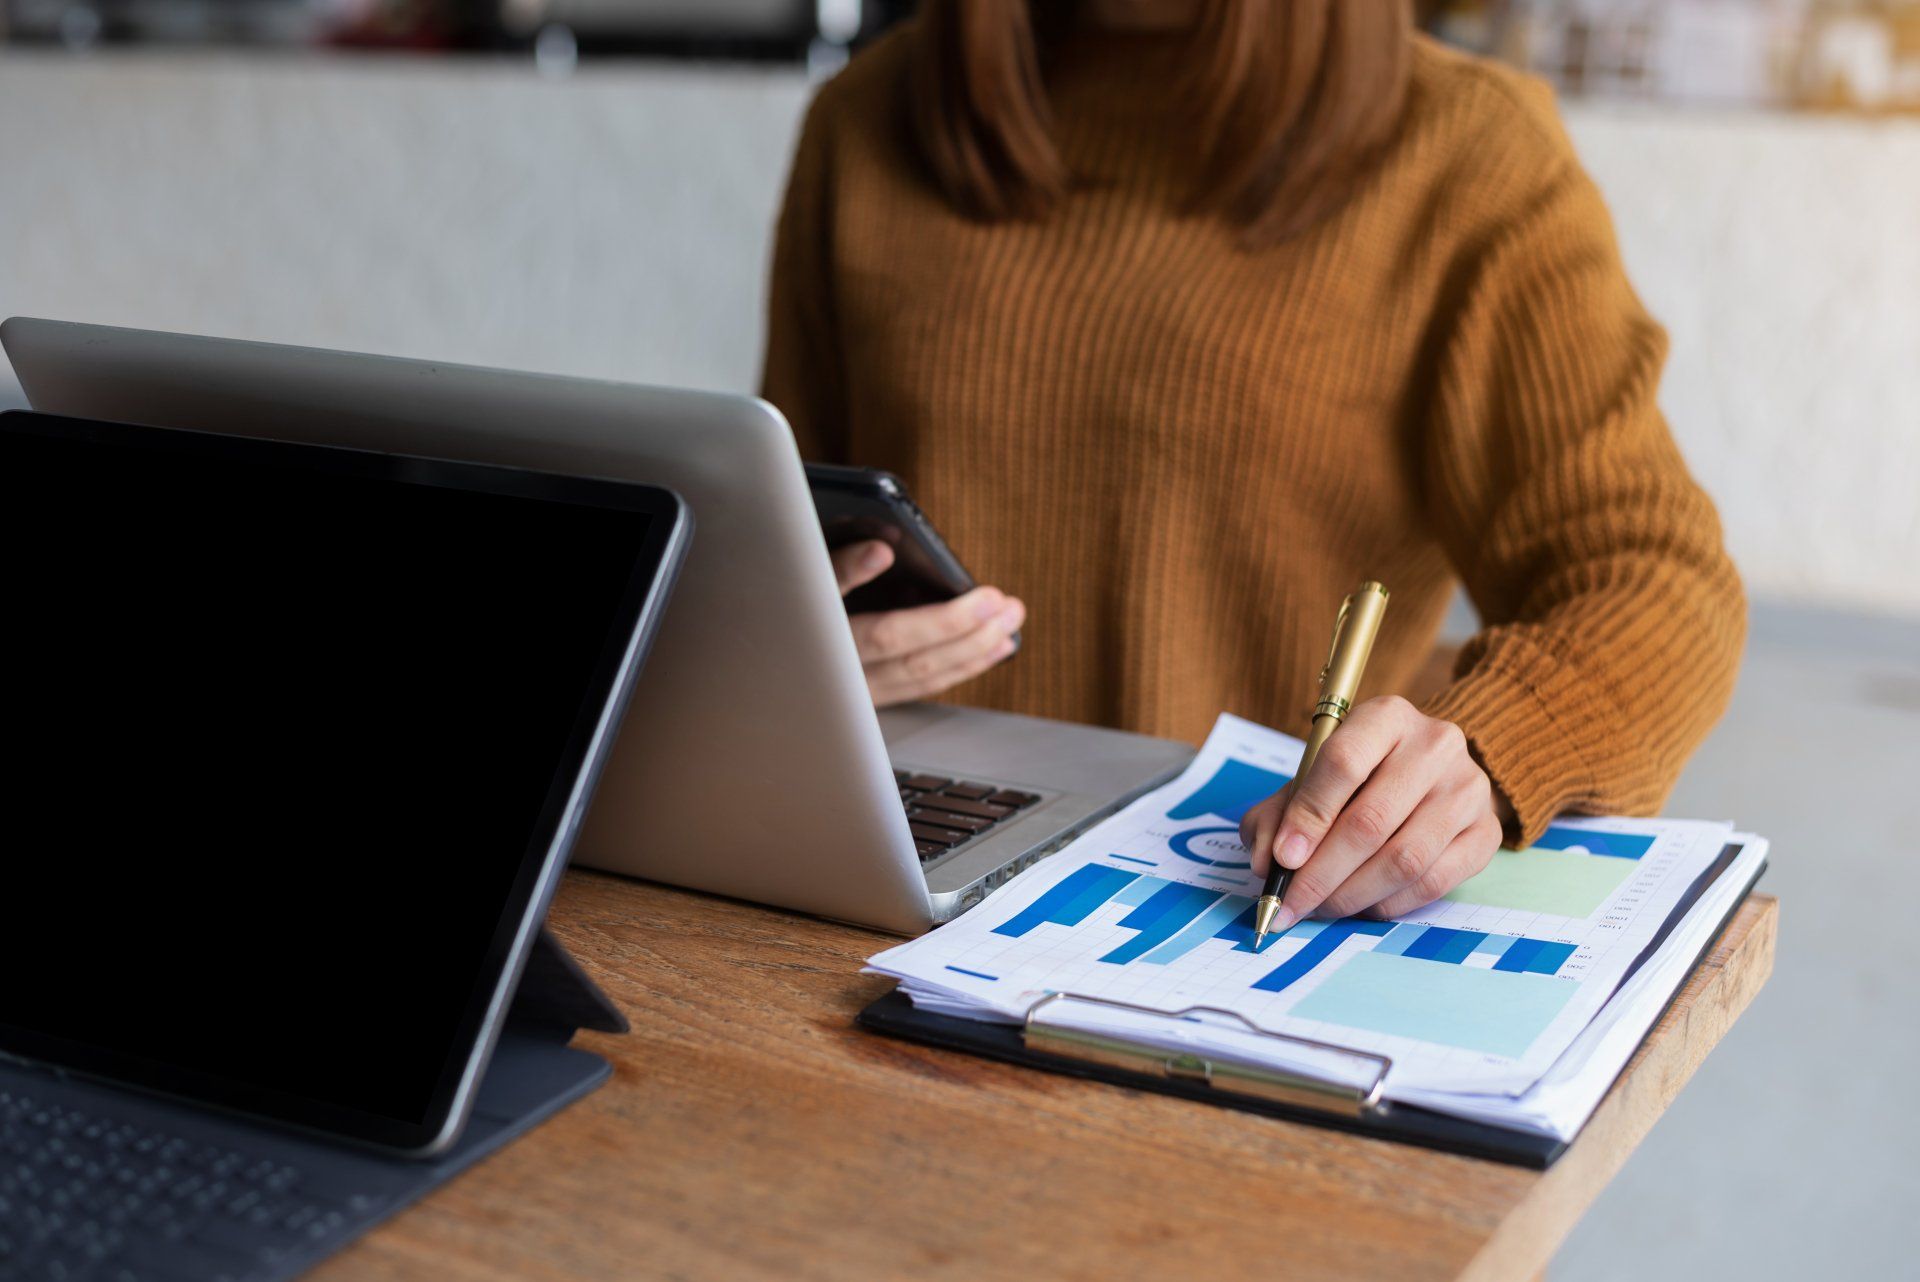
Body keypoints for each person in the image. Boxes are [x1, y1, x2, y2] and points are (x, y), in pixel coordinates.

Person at [760, 0, 1744, 933]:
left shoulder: (1471, 156)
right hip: (880, 911)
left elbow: (1657, 578)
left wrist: (1489, 748)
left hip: (1241, 921)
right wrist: (799, 655)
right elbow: (782, 546)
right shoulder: (863, 121)